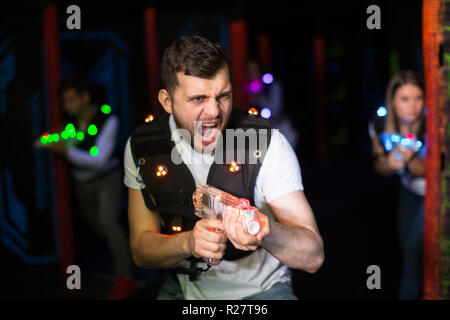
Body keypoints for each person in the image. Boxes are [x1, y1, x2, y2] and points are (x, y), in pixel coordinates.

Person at [124, 35, 324, 300]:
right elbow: (141, 250)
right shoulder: (144, 146)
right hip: (183, 289)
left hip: (261, 290)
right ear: (167, 101)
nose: (214, 112)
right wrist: (189, 242)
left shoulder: (268, 143)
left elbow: (313, 256)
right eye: (198, 99)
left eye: (223, 96)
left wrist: (264, 230)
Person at [36, 75, 138, 299]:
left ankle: (126, 276)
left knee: (108, 221)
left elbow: (99, 159)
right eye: (65, 101)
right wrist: (50, 141)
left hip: (106, 179)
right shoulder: (69, 124)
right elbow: (46, 140)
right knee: (95, 223)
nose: (68, 106)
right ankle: (118, 255)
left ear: (85, 97)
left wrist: (64, 150)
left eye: (72, 99)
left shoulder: (107, 120)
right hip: (82, 183)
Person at [369, 70, 426, 300]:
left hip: (437, 193)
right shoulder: (380, 124)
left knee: (414, 249)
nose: (413, 105)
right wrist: (389, 163)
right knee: (407, 249)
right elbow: (378, 164)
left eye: (418, 98)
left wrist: (410, 158)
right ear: (392, 101)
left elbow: (432, 172)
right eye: (405, 98)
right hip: (409, 190)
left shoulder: (434, 123)